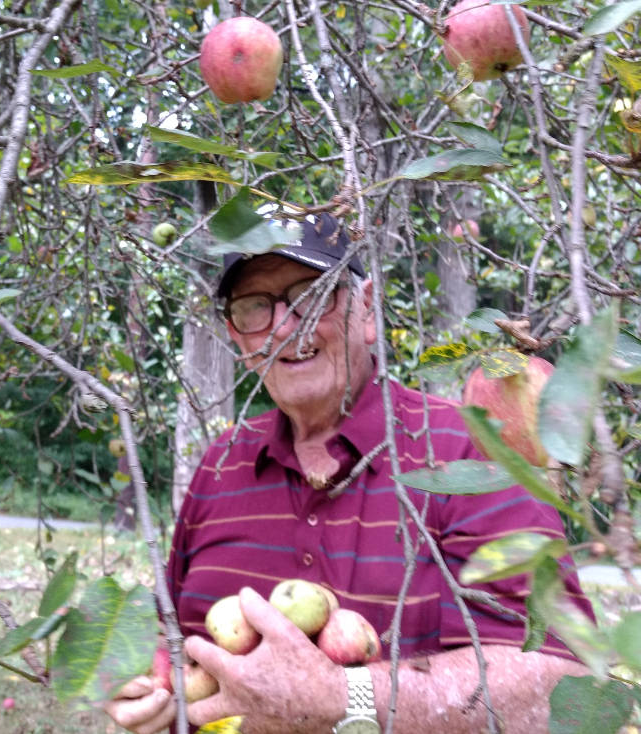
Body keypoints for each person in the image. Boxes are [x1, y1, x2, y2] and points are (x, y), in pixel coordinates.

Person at [104, 213, 593, 734]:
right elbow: (172, 640)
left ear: (366, 309)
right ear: (236, 337)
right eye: (255, 307)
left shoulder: (472, 453)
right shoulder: (220, 463)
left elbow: (562, 687)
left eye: (311, 294)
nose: (286, 326)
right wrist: (143, 684)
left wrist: (345, 698)